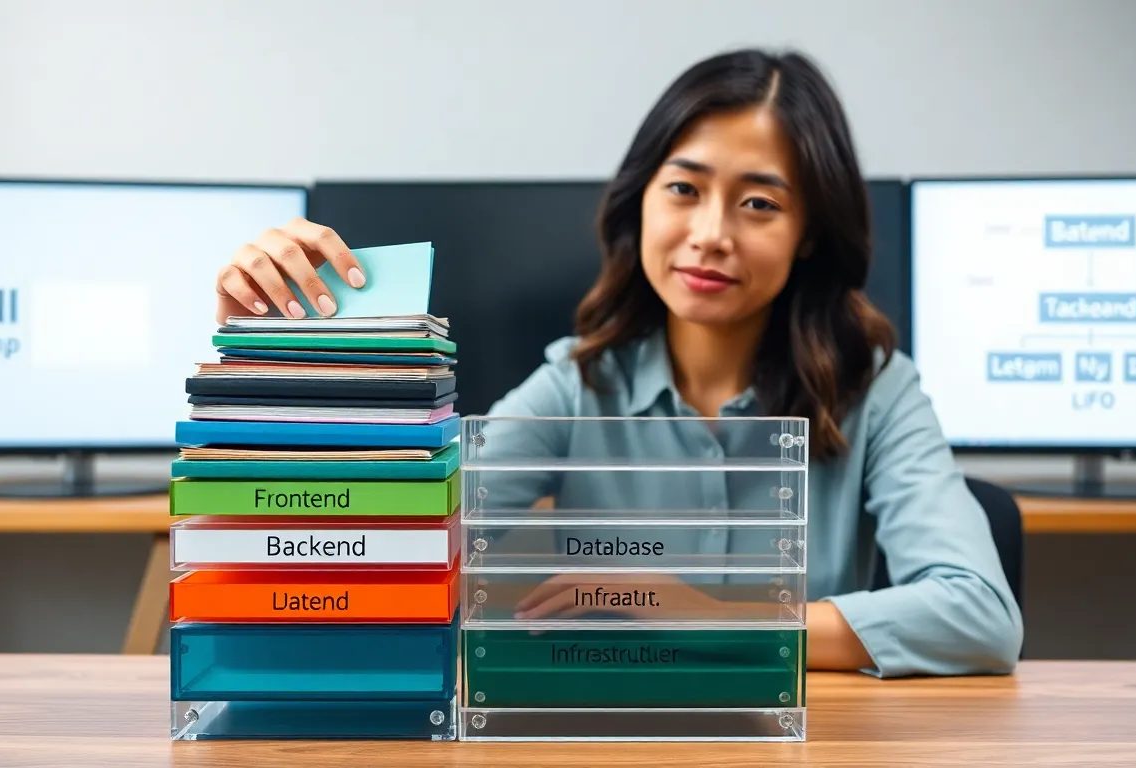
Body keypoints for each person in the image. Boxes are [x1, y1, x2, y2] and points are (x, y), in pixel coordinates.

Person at [213, 48, 1023, 679]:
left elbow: (979, 615)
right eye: (684, 188)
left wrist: (703, 615)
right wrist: (274, 360)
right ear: (641, 198)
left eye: (760, 203)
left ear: (809, 233)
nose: (710, 232)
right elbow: (372, 532)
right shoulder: (577, 383)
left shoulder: (876, 387)